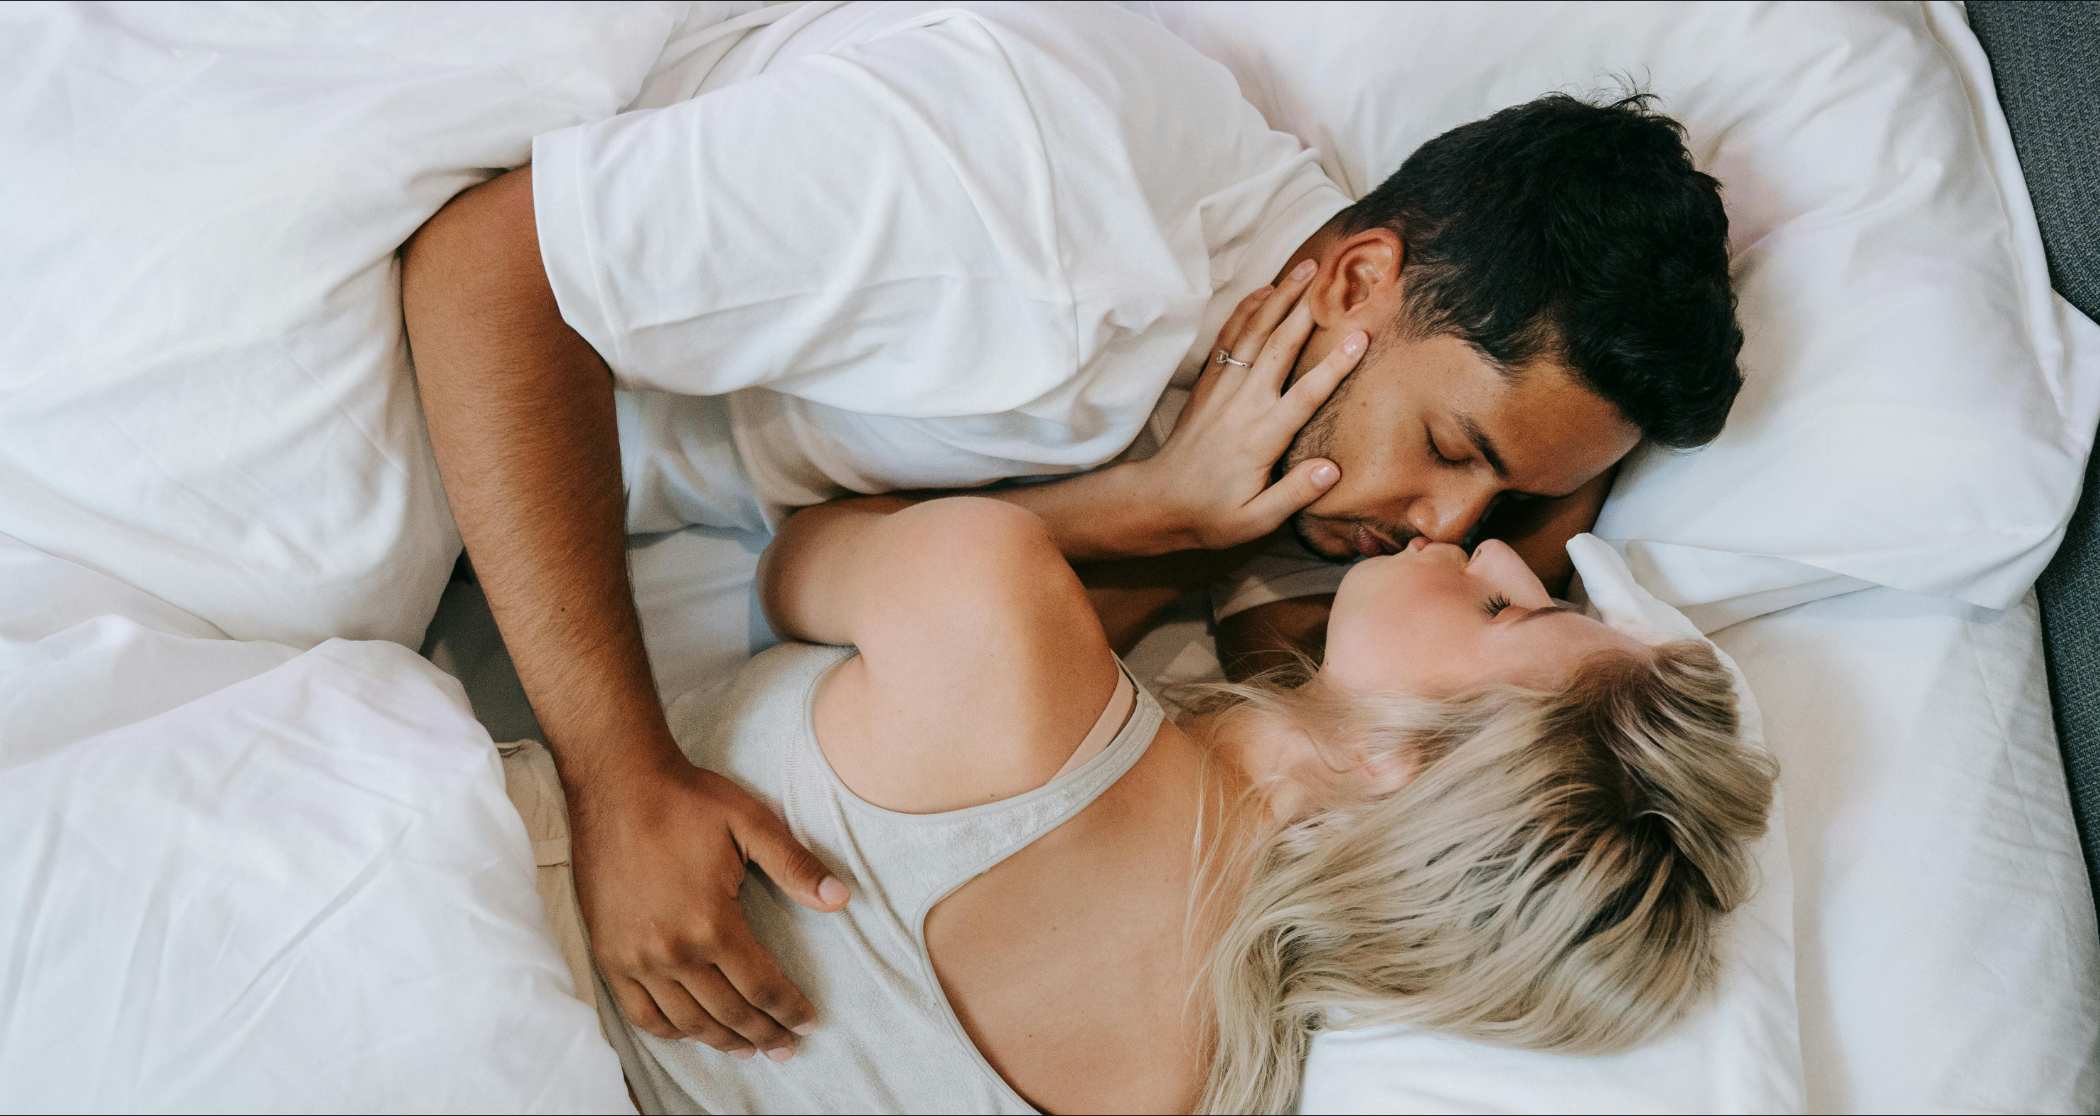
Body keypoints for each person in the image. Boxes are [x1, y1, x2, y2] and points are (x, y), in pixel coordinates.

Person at [400, 1, 1741, 1062]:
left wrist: (1187, 532)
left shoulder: (1339, 507)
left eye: (1507, 511)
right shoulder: (1027, 187)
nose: (1448, 531)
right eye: (1454, 453)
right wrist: (620, 775)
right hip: (490, 358)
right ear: (1355, 278)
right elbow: (486, 271)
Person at [523, 489, 1772, 1114]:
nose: (1506, 553)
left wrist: (1158, 510)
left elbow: (797, 559)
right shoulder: (1231, 1085)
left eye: (1517, 612)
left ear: (1405, 768)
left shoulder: (999, 615)